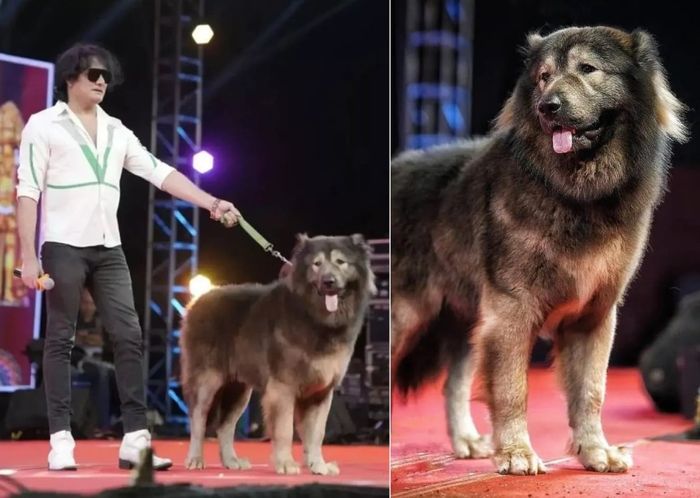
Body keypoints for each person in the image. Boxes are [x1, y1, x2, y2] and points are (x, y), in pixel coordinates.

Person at [16, 43, 240, 471]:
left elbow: (160, 172)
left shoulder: (117, 130)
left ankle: (136, 439)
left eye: (106, 76)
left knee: (129, 336)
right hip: (62, 245)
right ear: (70, 79)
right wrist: (28, 257)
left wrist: (211, 202)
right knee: (61, 339)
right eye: (93, 74)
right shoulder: (42, 125)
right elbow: (27, 191)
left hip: (109, 246)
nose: (102, 81)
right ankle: (60, 438)